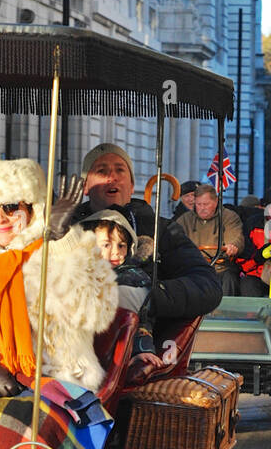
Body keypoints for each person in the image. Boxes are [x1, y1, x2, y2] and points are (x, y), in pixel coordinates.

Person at [0, 159, 117, 394]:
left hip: (54, 383)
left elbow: (94, 311)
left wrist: (62, 241)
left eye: (11, 206)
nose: (1, 218)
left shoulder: (54, 254)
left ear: (30, 209)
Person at [72, 143, 223, 378]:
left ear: (131, 185)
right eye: (101, 171)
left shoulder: (160, 230)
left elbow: (207, 285)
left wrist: (147, 296)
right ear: (85, 186)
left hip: (139, 356)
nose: (112, 177)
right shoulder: (63, 230)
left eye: (120, 170)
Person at [79, 209, 164, 373]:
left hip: (111, 351)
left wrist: (141, 349)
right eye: (106, 245)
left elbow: (142, 319)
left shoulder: (131, 279)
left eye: (121, 245)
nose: (116, 252)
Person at [177, 184, 244, 297]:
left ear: (216, 201)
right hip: (193, 267)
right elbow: (175, 239)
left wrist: (232, 246)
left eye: (206, 204)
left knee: (229, 278)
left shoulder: (228, 217)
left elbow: (236, 238)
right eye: (198, 204)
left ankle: (224, 311)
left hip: (220, 268)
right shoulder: (185, 220)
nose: (202, 208)